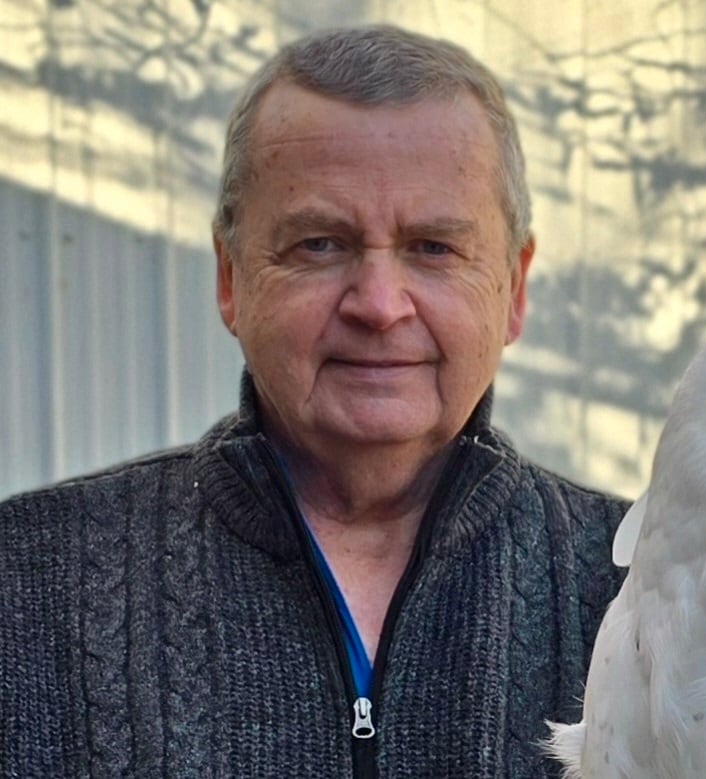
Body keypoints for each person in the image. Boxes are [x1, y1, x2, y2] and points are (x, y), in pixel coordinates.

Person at [0, 25, 628, 777]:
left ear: (515, 288)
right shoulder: (27, 582)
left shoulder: (651, 590)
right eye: (320, 244)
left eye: (434, 247)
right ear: (231, 278)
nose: (379, 304)